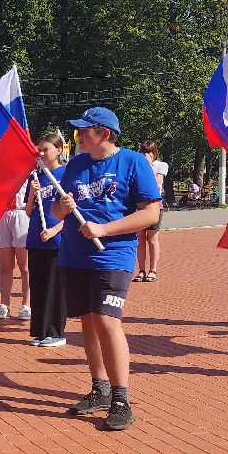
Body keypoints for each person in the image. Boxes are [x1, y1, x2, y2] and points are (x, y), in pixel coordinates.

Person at [51, 107, 162, 430]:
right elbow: (58, 212)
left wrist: (104, 229)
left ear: (105, 134)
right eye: (78, 132)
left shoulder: (132, 162)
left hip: (112, 256)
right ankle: (98, 387)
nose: (79, 136)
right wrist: (63, 207)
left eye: (85, 131)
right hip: (74, 255)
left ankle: (120, 397)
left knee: (106, 321)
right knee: (87, 322)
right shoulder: (77, 165)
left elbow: (150, 214)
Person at [24, 133, 67, 348]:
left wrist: (55, 230)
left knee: (54, 286)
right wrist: (32, 193)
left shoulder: (65, 173)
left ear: (58, 150)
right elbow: (28, 211)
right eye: (39, 149)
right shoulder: (35, 176)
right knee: (38, 285)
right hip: (35, 238)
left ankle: (55, 331)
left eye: (46, 149)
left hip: (56, 240)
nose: (41, 153)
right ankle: (40, 331)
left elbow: (72, 213)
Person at [0, 180, 30, 319]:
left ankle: (26, 305)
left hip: (23, 214)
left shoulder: (31, 170)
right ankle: (4, 304)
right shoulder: (2, 172)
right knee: (5, 266)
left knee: (25, 267)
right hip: (3, 216)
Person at [135, 142, 168, 282]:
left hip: (155, 204)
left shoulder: (161, 165)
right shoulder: (137, 165)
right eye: (143, 152)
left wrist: (148, 166)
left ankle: (153, 270)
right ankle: (141, 270)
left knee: (152, 238)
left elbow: (156, 182)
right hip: (139, 205)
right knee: (140, 238)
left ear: (154, 153)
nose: (146, 155)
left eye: (149, 152)